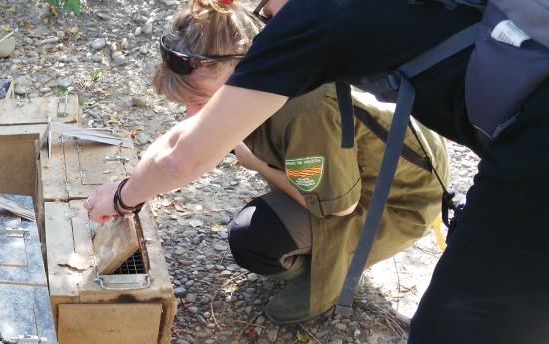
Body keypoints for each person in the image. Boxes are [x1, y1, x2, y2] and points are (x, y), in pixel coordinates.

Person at [83, 0, 548, 344]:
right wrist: (140, 177)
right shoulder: (297, 29)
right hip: (518, 149)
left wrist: (123, 198)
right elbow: (189, 137)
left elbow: (321, 199)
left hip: (475, 180)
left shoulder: (311, 27)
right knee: (506, 341)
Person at [150, 1, 449, 325]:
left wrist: (259, 164)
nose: (193, 114)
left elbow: (338, 207)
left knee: (254, 239)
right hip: (367, 162)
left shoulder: (305, 111)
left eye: (200, 102)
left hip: (397, 198)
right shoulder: (262, 49)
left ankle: (331, 275)